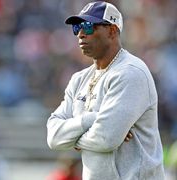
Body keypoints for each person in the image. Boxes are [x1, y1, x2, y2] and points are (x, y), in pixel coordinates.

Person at [46, 1, 165, 180]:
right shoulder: (79, 79)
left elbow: (106, 139)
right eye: (77, 27)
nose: (80, 34)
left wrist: (72, 139)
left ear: (112, 30)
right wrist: (92, 119)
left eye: (87, 26)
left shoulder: (131, 71)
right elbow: (53, 137)